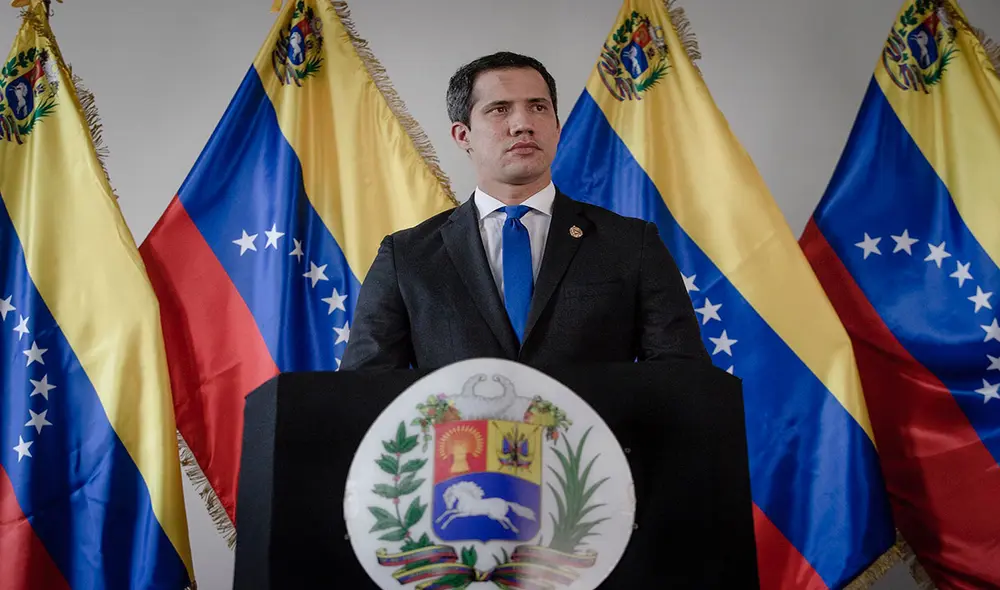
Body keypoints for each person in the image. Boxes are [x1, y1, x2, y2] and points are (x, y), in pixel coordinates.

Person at [341, 51, 709, 371]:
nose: (523, 125)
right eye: (499, 109)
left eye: (538, 107)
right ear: (463, 135)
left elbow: (680, 376)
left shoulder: (630, 243)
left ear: (557, 128)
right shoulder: (407, 256)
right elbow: (366, 390)